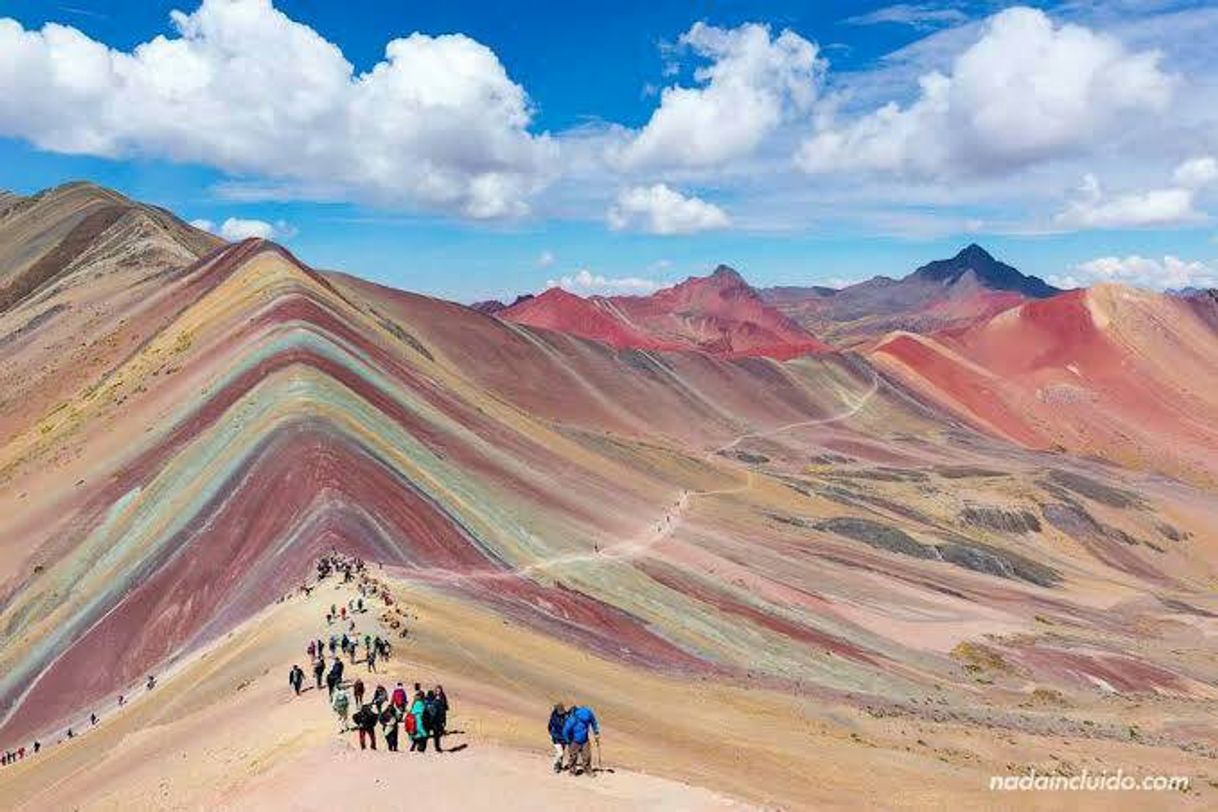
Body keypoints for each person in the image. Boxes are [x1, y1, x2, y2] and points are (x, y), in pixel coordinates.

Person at [562, 705, 600, 776]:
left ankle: (588, 770)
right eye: (585, 721)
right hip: (574, 740)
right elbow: (565, 731)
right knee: (573, 756)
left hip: (585, 739)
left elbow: (594, 722)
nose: (586, 722)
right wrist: (568, 741)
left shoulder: (588, 713)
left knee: (587, 756)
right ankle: (572, 770)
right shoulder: (572, 719)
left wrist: (596, 732)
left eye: (587, 721)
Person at [548, 703, 569, 773]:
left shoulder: (566, 715)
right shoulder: (554, 717)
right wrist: (552, 734)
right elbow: (550, 727)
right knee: (560, 753)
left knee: (561, 753)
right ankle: (555, 764)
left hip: (564, 737)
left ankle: (559, 766)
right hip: (556, 737)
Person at [427, 688, 447, 752]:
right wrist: (443, 721)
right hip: (436, 722)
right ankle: (437, 748)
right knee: (436, 736)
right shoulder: (437, 702)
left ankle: (420, 747)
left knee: (425, 735)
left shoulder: (425, 702)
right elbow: (441, 713)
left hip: (427, 721)